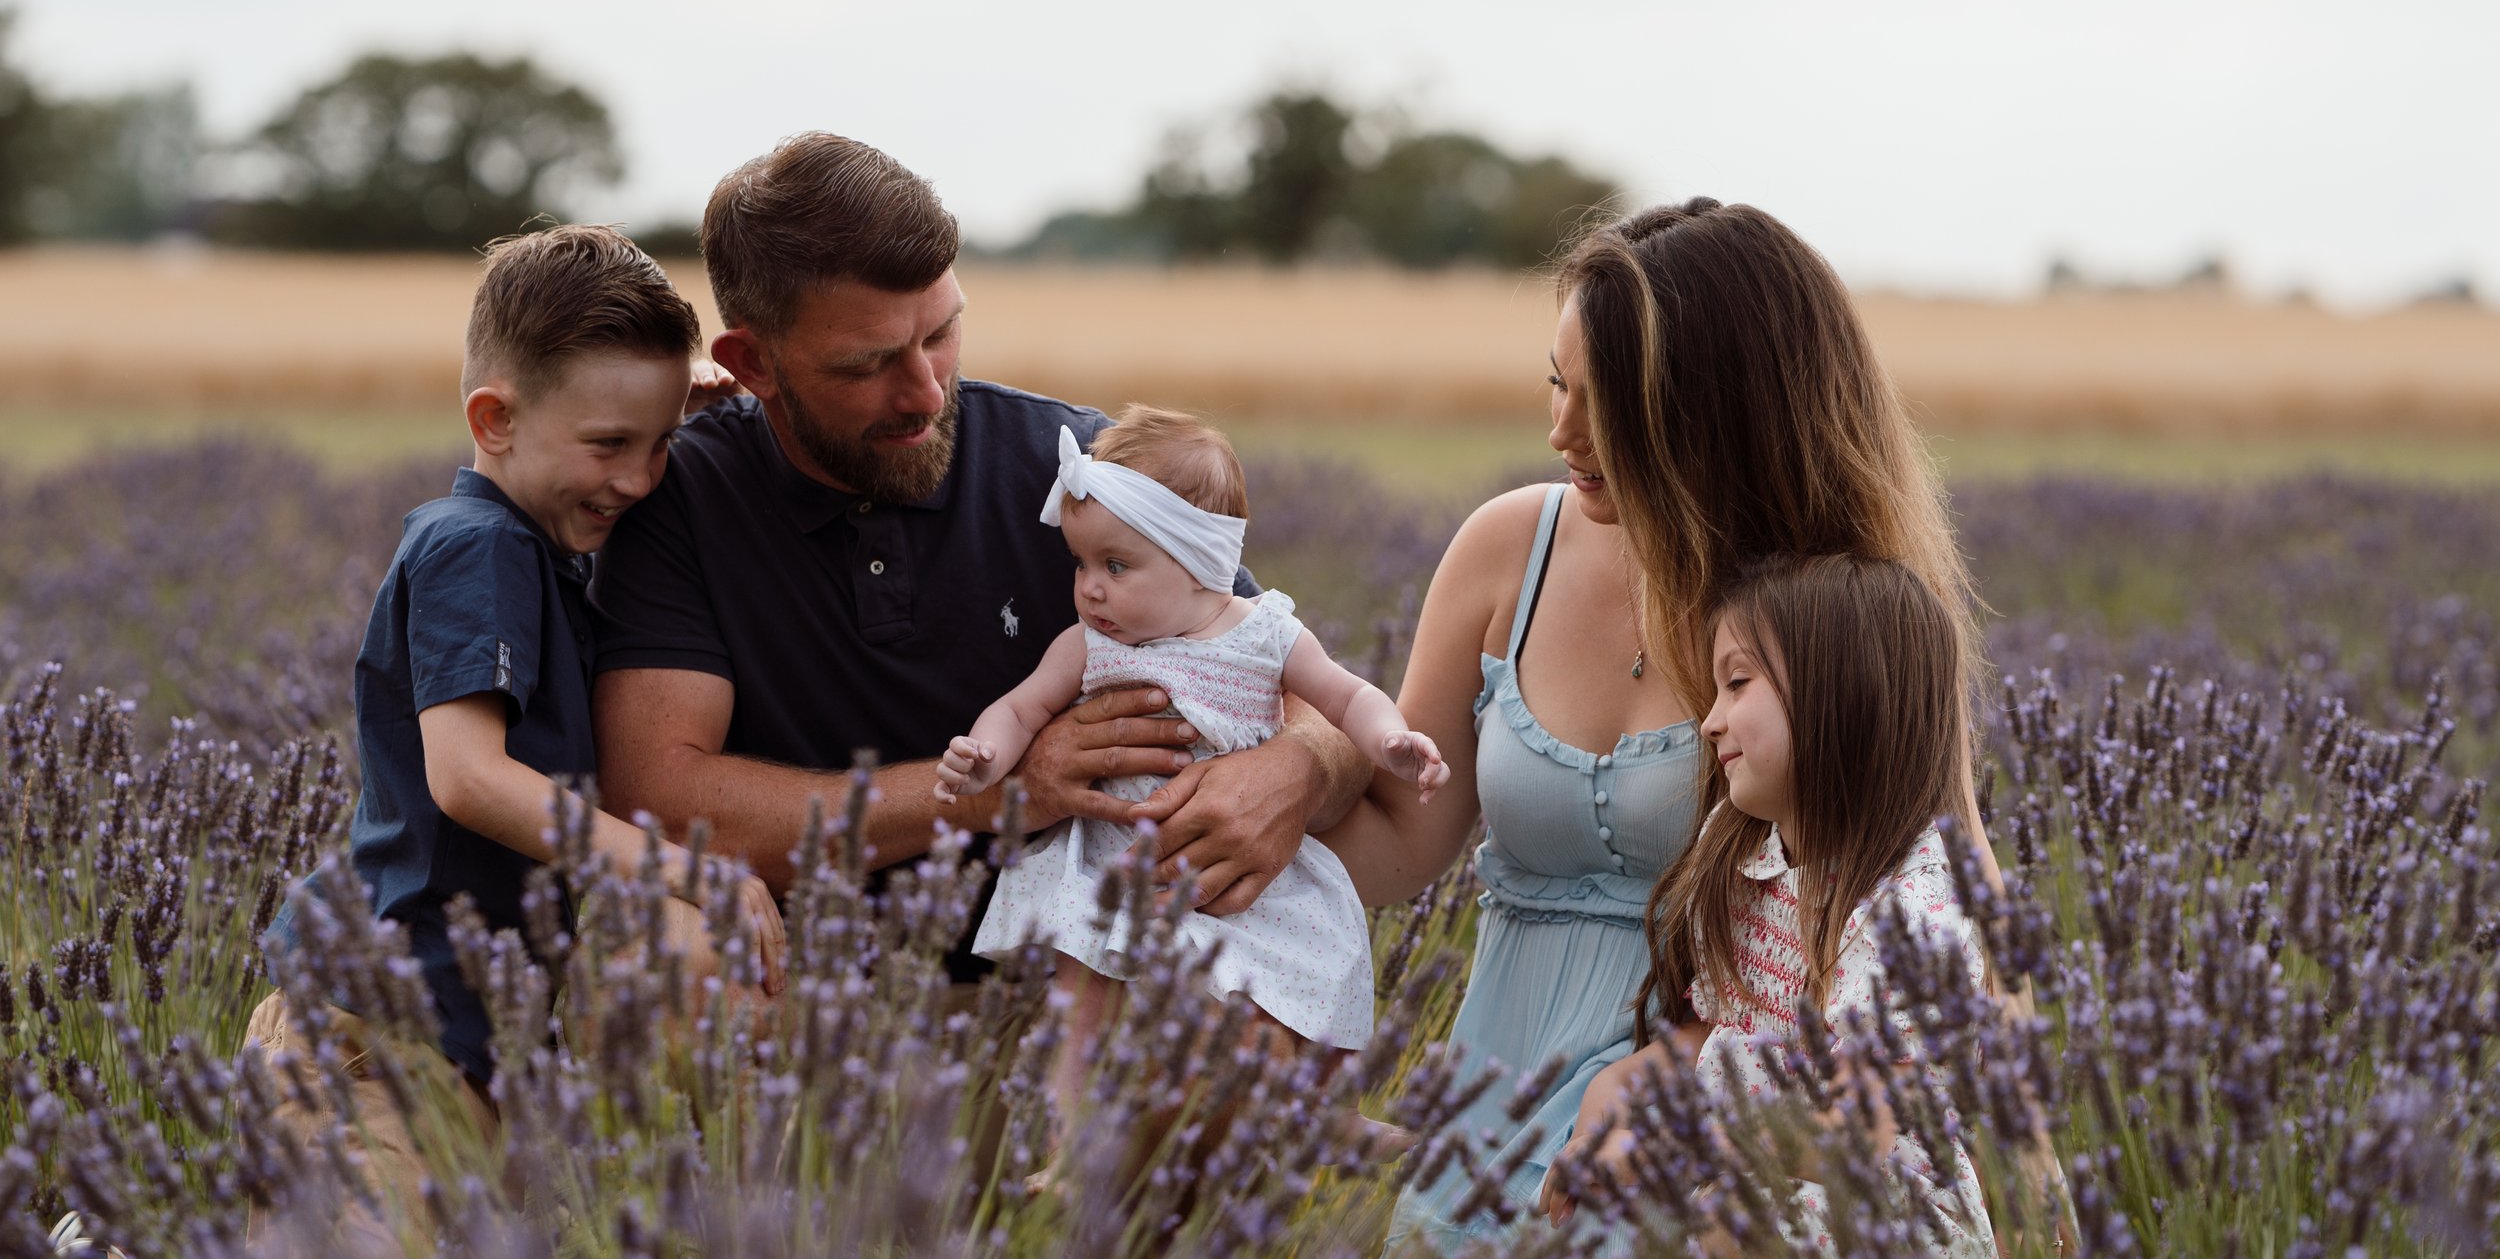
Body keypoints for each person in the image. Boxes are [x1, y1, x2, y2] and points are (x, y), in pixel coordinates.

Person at [1317, 198, 1980, 1251]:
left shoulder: (1830, 627)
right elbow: (1402, 825)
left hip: (1693, 1142)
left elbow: (1918, 921)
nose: (1560, 431)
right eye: (1555, 382)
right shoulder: (1508, 549)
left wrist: (1683, 1085)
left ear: (1707, 409)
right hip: (1492, 1090)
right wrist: (1239, 815)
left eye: (1606, 402)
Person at [588, 135, 1375, 988]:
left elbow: (1300, 676)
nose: (926, 390)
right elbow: (661, 797)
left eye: (942, 332)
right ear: (752, 363)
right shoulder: (683, 495)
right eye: (868, 363)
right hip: (800, 1001)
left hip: (1071, 988)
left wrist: (1297, 766)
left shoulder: (1080, 472)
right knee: (660, 966)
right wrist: (999, 791)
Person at [247, 226, 788, 1247]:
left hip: (455, 1041)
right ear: (493, 419)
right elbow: (468, 778)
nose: (639, 477)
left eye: (660, 442)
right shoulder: (478, 549)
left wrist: (687, 411)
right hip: (368, 1035)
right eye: (608, 443)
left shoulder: (534, 546)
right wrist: (686, 870)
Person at [936, 408, 1446, 1109]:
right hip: (1113, 866)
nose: (1089, 587)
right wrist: (985, 756)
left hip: (1240, 872)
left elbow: (1346, 695)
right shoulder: (1090, 645)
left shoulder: (1269, 632)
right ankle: (1064, 1134)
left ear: (1200, 561)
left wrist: (1391, 739)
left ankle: (1323, 1113)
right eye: (1081, 563)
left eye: (1115, 564)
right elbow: (1022, 708)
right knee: (1079, 998)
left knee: (1297, 984)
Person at [1543, 554, 1995, 1257]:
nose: (1709, 722)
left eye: (1737, 683)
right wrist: (1614, 1099)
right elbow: (1712, 1037)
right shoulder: (1752, 861)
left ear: (1841, 692)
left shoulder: (1910, 911)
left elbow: (1864, 1126)